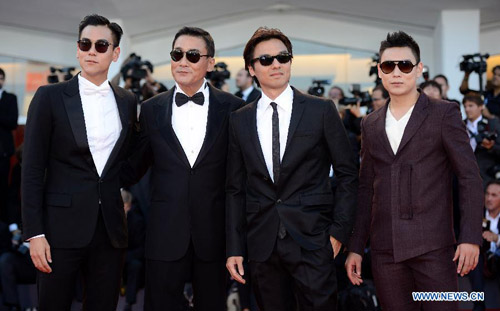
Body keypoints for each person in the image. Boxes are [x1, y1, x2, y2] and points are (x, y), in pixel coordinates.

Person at [345, 31, 484, 311]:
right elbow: (365, 188)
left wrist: (470, 238)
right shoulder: (370, 124)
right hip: (385, 251)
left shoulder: (444, 113)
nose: (397, 72)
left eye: (405, 65)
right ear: (380, 72)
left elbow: (469, 177)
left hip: (434, 249)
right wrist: (356, 246)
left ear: (419, 70)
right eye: (388, 66)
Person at [226, 27, 358, 311]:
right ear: (251, 68)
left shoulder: (321, 110)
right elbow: (236, 188)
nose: (276, 64)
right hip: (262, 243)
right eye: (265, 60)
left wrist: (338, 232)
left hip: (314, 239)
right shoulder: (239, 120)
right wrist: (235, 247)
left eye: (283, 57)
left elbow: (348, 173)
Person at [21, 14, 138, 310]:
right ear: (77, 49)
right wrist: (34, 233)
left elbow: (126, 161)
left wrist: (122, 190)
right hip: (58, 230)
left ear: (115, 53)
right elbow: (32, 169)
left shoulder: (127, 100)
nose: (91, 51)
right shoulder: (50, 97)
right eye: (85, 43)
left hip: (110, 231)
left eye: (101, 45)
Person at [123, 26, 244, 311]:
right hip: (164, 235)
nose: (183, 61)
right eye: (177, 54)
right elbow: (134, 167)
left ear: (210, 62)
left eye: (192, 55)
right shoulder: (152, 109)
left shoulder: (235, 108)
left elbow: (241, 178)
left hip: (214, 237)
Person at [467, 180, 500, 311]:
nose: (489, 198)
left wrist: (496, 238)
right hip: (482, 258)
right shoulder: (475, 214)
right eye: (487, 194)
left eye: (494, 195)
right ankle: (478, 305)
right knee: (474, 257)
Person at [463, 95, 500, 187]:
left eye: (471, 106)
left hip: (487, 176)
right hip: (464, 175)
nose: (467, 109)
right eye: (465, 106)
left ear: (481, 107)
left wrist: (491, 147)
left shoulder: (492, 124)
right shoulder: (460, 125)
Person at [0, 68, 18, 223]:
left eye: (0, 78)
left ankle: (4, 221)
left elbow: (12, 123)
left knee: (3, 185)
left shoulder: (11, 98)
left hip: (3, 151)